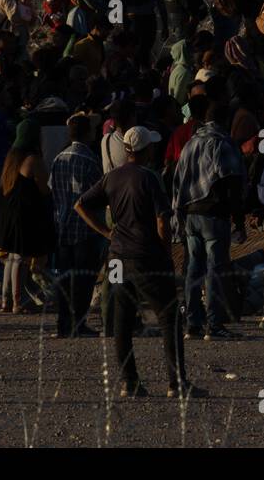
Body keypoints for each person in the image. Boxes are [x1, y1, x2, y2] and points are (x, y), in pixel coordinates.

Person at [75, 126, 200, 398]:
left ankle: (129, 382)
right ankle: (176, 384)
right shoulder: (149, 178)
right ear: (147, 150)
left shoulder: (111, 178)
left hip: (118, 257)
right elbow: (162, 220)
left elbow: (80, 204)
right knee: (168, 318)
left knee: (122, 318)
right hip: (146, 256)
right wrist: (167, 253)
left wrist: (107, 233)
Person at [173, 94, 246, 340]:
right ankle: (213, 325)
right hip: (214, 214)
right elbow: (232, 182)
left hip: (191, 213)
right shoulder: (222, 143)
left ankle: (192, 324)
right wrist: (239, 219)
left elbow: (178, 179)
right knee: (215, 269)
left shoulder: (191, 143)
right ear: (225, 119)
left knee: (194, 268)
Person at [49, 113, 104, 338]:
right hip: (85, 228)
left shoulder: (58, 159)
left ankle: (63, 324)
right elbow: (99, 195)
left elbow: (52, 190)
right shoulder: (90, 160)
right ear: (87, 133)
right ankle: (78, 324)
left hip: (62, 227)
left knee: (64, 280)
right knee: (83, 281)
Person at [0, 118, 55, 314]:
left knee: (12, 257)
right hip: (25, 215)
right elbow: (44, 187)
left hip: (9, 212)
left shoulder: (11, 158)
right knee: (20, 258)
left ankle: (5, 300)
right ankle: (17, 302)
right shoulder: (33, 159)